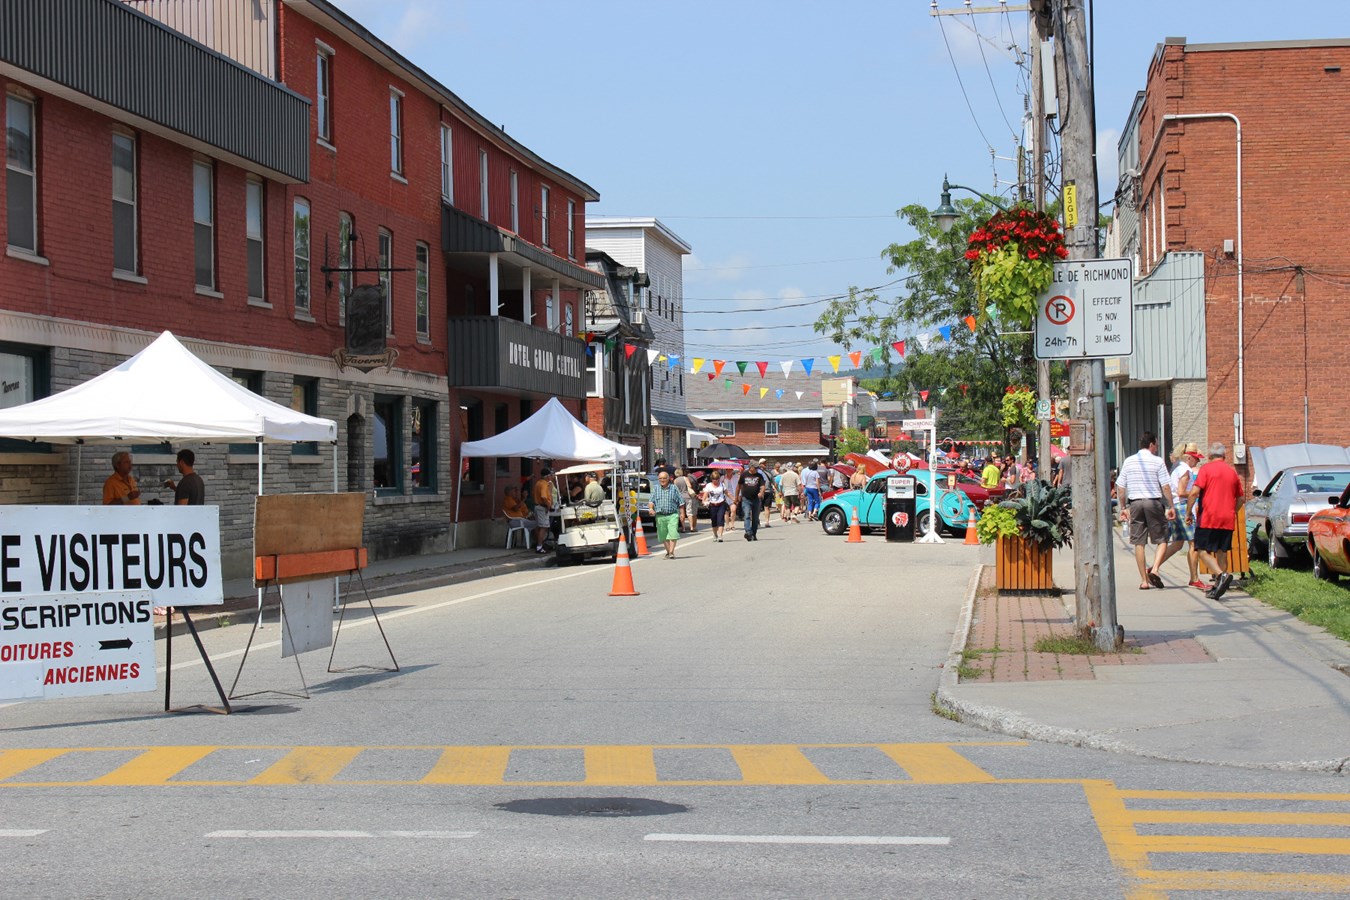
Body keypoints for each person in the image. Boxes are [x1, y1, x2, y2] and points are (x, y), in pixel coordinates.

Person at [1115, 431, 1177, 590]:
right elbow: (1165, 486)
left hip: (1135, 503)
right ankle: (1155, 569)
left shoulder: (1129, 461)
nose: (1156, 448)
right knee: (1162, 538)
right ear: (1151, 445)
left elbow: (1120, 487)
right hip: (1153, 502)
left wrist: (1123, 507)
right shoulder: (1157, 461)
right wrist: (1171, 506)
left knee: (1139, 542)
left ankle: (1144, 580)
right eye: (1156, 445)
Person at [1188, 442, 1244, 601]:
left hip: (1208, 517)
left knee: (1201, 550)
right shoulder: (1232, 472)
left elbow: (1194, 493)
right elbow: (1241, 498)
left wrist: (1188, 513)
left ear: (1210, 455)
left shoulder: (1206, 469)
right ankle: (1219, 585)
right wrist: (1232, 511)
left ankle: (1222, 575)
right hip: (1227, 518)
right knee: (1221, 551)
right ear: (1224, 456)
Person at [1154, 443, 1202, 588]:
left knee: (1177, 544)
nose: (1198, 461)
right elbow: (1181, 492)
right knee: (1194, 543)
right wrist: (1197, 492)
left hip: (1175, 506)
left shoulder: (1176, 468)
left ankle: (1154, 567)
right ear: (1188, 457)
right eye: (1196, 458)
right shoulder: (1185, 471)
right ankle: (1194, 578)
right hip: (1183, 507)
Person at [648, 468, 683, 559]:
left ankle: (671, 552)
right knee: (663, 535)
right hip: (660, 516)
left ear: (668, 479)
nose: (662, 480)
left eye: (664, 478)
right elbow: (651, 501)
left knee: (673, 533)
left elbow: (681, 502)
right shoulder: (656, 489)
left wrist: (682, 514)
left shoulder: (674, 488)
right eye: (660, 478)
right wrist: (651, 509)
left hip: (672, 514)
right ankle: (668, 552)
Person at [736, 461, 765, 542]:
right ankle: (748, 532)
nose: (756, 469)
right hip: (746, 499)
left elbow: (762, 486)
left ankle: (754, 534)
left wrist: (761, 492)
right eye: (755, 468)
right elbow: (738, 486)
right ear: (750, 467)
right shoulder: (744, 475)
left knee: (755, 518)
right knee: (747, 515)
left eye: (757, 468)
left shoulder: (759, 475)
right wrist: (737, 497)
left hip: (756, 499)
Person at [699, 470, 730, 541]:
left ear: (719, 479)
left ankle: (720, 536)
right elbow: (705, 495)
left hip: (721, 504)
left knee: (720, 520)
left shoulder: (722, 485)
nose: (715, 481)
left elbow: (727, 493)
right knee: (714, 521)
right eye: (714, 479)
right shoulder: (709, 485)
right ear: (711, 479)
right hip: (712, 505)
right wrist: (704, 500)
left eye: (717, 479)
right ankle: (715, 534)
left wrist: (734, 499)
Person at [532, 466, 555, 554]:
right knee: (544, 527)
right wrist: (548, 505)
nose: (550, 477)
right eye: (550, 475)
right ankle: (539, 546)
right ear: (546, 476)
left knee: (539, 526)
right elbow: (543, 496)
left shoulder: (538, 483)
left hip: (537, 506)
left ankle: (539, 544)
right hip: (542, 507)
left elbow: (533, 493)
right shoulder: (544, 484)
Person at [672, 467, 693, 532]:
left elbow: (674, 490)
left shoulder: (675, 481)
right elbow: (689, 486)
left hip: (679, 498)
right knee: (689, 513)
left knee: (681, 513)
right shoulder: (685, 478)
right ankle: (691, 527)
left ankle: (683, 528)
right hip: (687, 496)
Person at [758, 460, 774, 528]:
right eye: (763, 463)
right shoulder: (757, 472)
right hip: (760, 492)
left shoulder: (769, 472)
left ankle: (767, 522)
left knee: (767, 507)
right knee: (758, 508)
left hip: (768, 491)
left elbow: (773, 482)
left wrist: (778, 490)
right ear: (760, 464)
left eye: (765, 463)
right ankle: (757, 521)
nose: (764, 464)